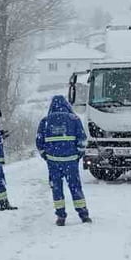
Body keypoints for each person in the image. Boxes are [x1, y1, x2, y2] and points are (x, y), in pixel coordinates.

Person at [36, 95, 91, 226]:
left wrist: (46, 156)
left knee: (56, 187)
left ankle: (60, 216)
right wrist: (79, 154)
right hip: (71, 160)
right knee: (75, 186)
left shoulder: (45, 121)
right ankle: (83, 214)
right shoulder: (74, 119)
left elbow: (39, 142)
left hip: (53, 162)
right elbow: (82, 139)